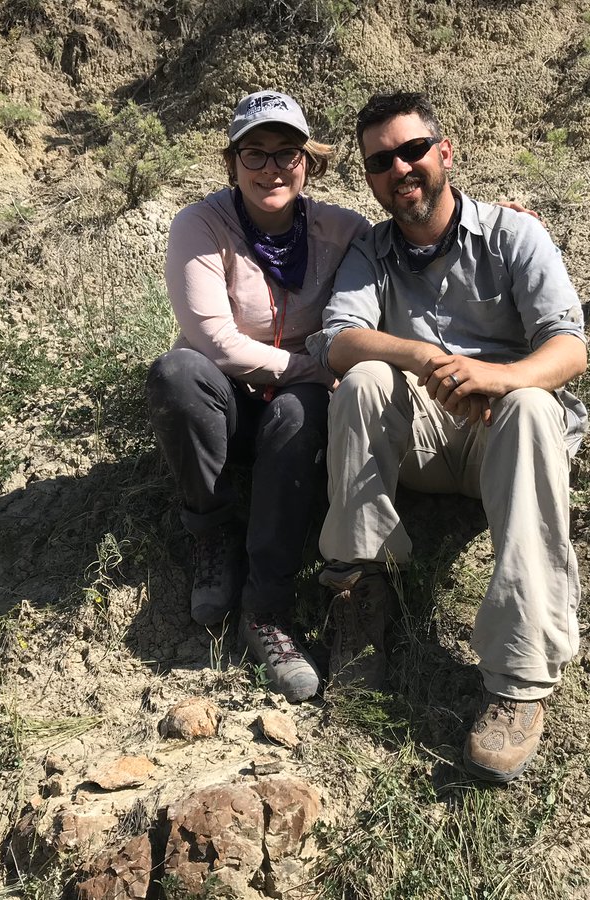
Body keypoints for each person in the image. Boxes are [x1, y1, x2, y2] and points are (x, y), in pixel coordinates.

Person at [306, 91, 588, 782]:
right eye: (381, 161)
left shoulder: (515, 236)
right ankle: (361, 594)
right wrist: (419, 356)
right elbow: (338, 341)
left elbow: (569, 346)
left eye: (412, 151)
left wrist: (501, 377)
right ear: (370, 179)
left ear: (444, 153)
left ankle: (518, 683)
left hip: (502, 432)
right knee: (366, 378)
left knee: (531, 404)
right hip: (424, 439)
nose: (400, 168)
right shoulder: (370, 252)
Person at [147, 91, 369, 703]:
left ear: (309, 162)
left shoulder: (342, 229)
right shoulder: (201, 225)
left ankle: (265, 610)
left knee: (298, 412)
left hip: (299, 410)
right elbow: (214, 340)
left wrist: (497, 219)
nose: (271, 168)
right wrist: (307, 367)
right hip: (229, 403)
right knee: (178, 373)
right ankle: (212, 531)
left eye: (286, 153)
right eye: (255, 153)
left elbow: (409, 249)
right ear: (232, 162)